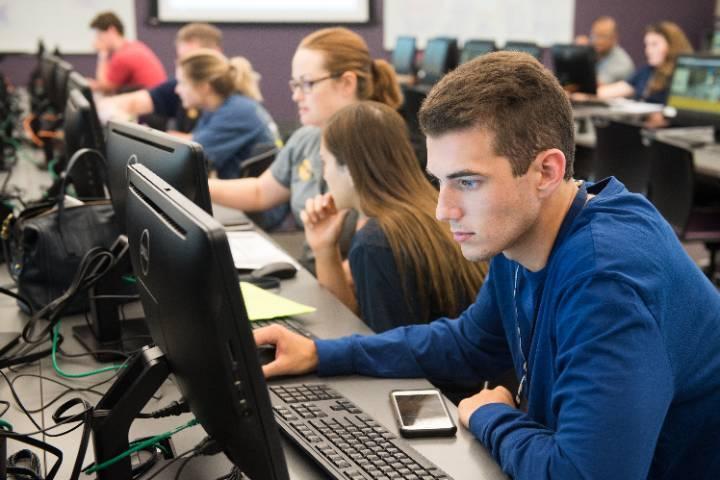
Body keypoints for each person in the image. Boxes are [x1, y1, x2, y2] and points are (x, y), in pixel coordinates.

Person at [254, 51, 720, 479]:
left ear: (546, 171)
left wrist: (490, 416)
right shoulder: (525, 233)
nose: (443, 209)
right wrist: (323, 354)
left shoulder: (606, 279)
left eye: (468, 182)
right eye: (440, 181)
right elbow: (468, 344)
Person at [301, 101, 487, 333]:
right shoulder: (429, 209)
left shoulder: (376, 242)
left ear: (348, 169)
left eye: (324, 162)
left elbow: (381, 350)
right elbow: (355, 324)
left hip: (436, 369)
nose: (324, 175)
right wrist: (324, 249)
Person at [208, 27, 403, 232]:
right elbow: (260, 192)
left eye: (307, 83)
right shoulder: (307, 137)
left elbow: (370, 254)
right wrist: (194, 186)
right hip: (315, 260)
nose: (296, 96)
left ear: (347, 83)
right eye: (295, 85)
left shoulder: (379, 150)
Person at [173, 49, 280, 180]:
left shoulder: (238, 112)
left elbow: (187, 158)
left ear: (204, 87)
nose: (177, 90)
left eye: (182, 83)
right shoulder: (219, 109)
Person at [97, 22, 222, 131]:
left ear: (216, 54)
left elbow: (200, 143)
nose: (185, 66)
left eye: (193, 59)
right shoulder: (177, 86)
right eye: (182, 59)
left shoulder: (228, 99)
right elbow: (126, 102)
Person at [598, 21, 693, 104]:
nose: (648, 51)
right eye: (647, 45)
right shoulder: (646, 71)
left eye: (654, 44)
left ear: (672, 45)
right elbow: (609, 91)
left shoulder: (682, 74)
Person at [88, 11, 167, 94]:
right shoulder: (133, 46)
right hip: (153, 98)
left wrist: (102, 53)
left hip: (151, 103)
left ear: (111, 30)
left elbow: (105, 88)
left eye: (99, 35)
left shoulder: (123, 56)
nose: (97, 40)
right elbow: (109, 84)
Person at [587, 16, 634, 84]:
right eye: (594, 35)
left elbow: (596, 86)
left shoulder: (621, 63)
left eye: (602, 36)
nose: (596, 41)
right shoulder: (596, 54)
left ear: (614, 38)